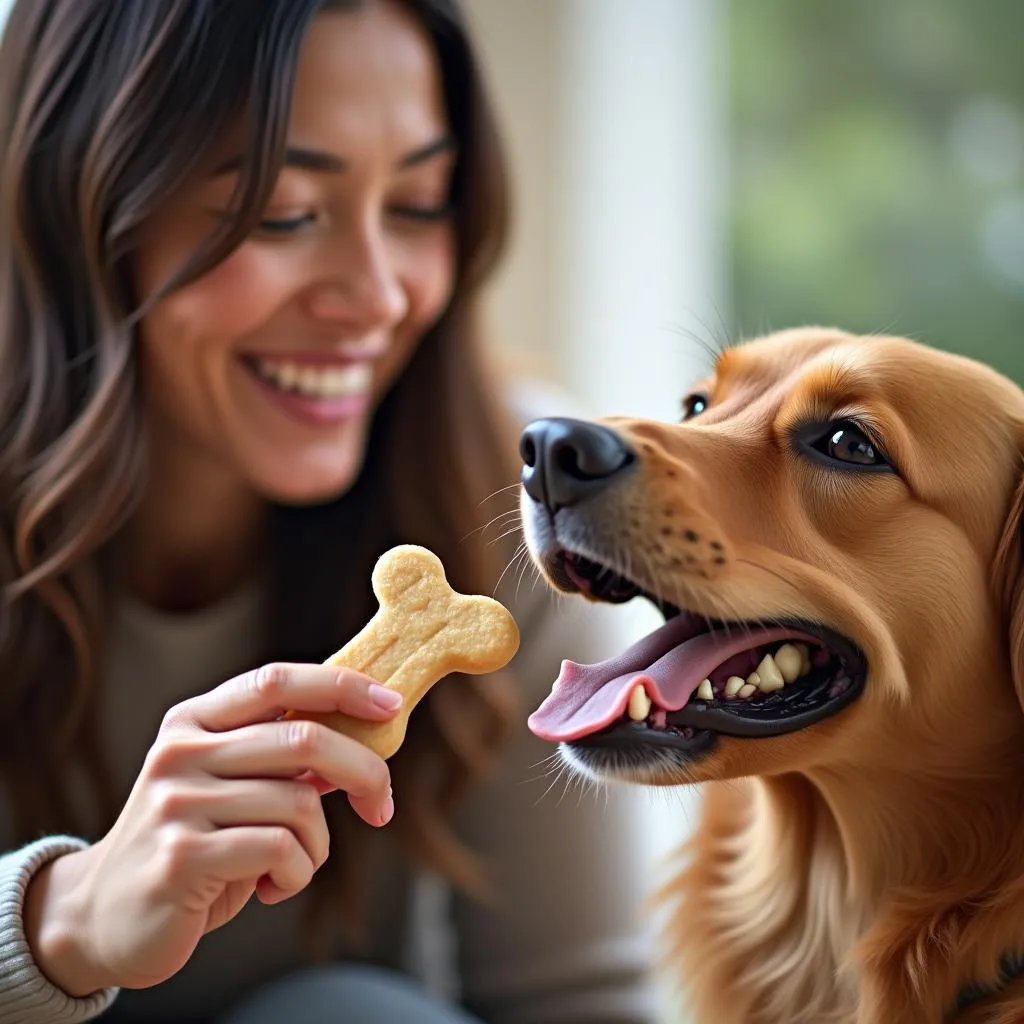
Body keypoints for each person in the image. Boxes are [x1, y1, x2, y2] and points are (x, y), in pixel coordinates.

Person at [0, 1, 657, 1022]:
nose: (378, 294)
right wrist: (60, 919)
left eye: (419, 204)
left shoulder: (515, 499)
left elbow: (579, 1002)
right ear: (77, 206)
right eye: (283, 212)